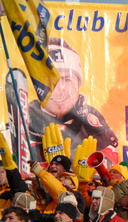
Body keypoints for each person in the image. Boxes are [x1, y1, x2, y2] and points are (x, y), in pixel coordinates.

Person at [29, 37, 119, 167]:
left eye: (66, 80)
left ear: (78, 83)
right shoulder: (22, 119)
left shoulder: (93, 121)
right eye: (50, 81)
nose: (59, 90)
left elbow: (110, 169)